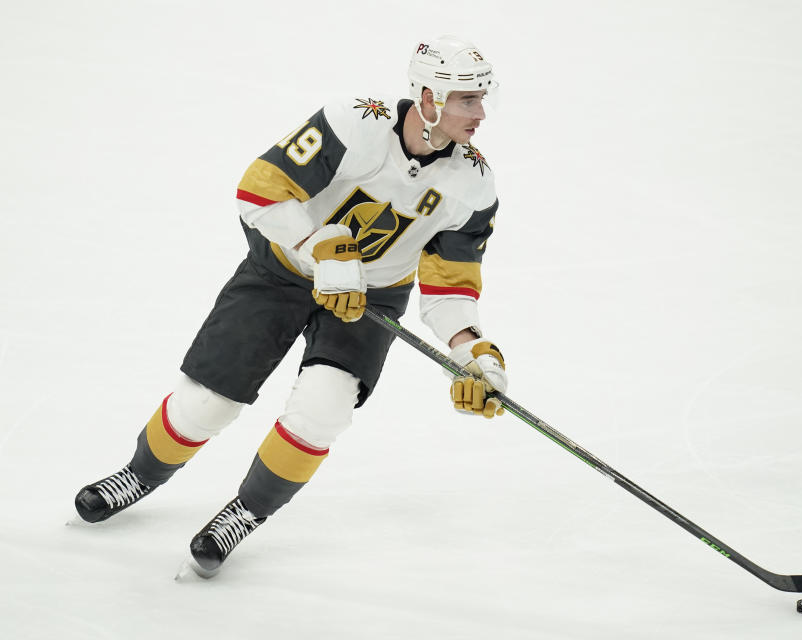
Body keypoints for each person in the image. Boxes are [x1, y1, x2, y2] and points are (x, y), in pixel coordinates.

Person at [74, 35, 508, 579]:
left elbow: (450, 285)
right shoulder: (356, 121)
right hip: (282, 270)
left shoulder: (474, 182)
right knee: (206, 404)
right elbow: (260, 190)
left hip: (369, 298)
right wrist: (318, 247)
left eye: (482, 98)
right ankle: (139, 474)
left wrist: (473, 351)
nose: (481, 113)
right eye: (468, 99)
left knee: (323, 411)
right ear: (429, 96)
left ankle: (244, 513)